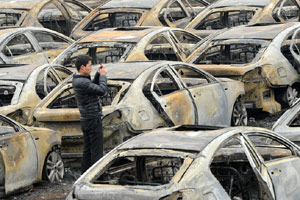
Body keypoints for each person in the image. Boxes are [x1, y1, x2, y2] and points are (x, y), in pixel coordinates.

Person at [72, 55, 107, 174]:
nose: (91, 68)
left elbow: (93, 87)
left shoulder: (80, 80)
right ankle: (96, 176)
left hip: (86, 119)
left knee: (88, 150)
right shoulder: (82, 82)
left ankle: (85, 174)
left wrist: (97, 74)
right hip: (92, 119)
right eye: (89, 65)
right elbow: (101, 90)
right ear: (82, 67)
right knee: (96, 150)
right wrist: (103, 76)